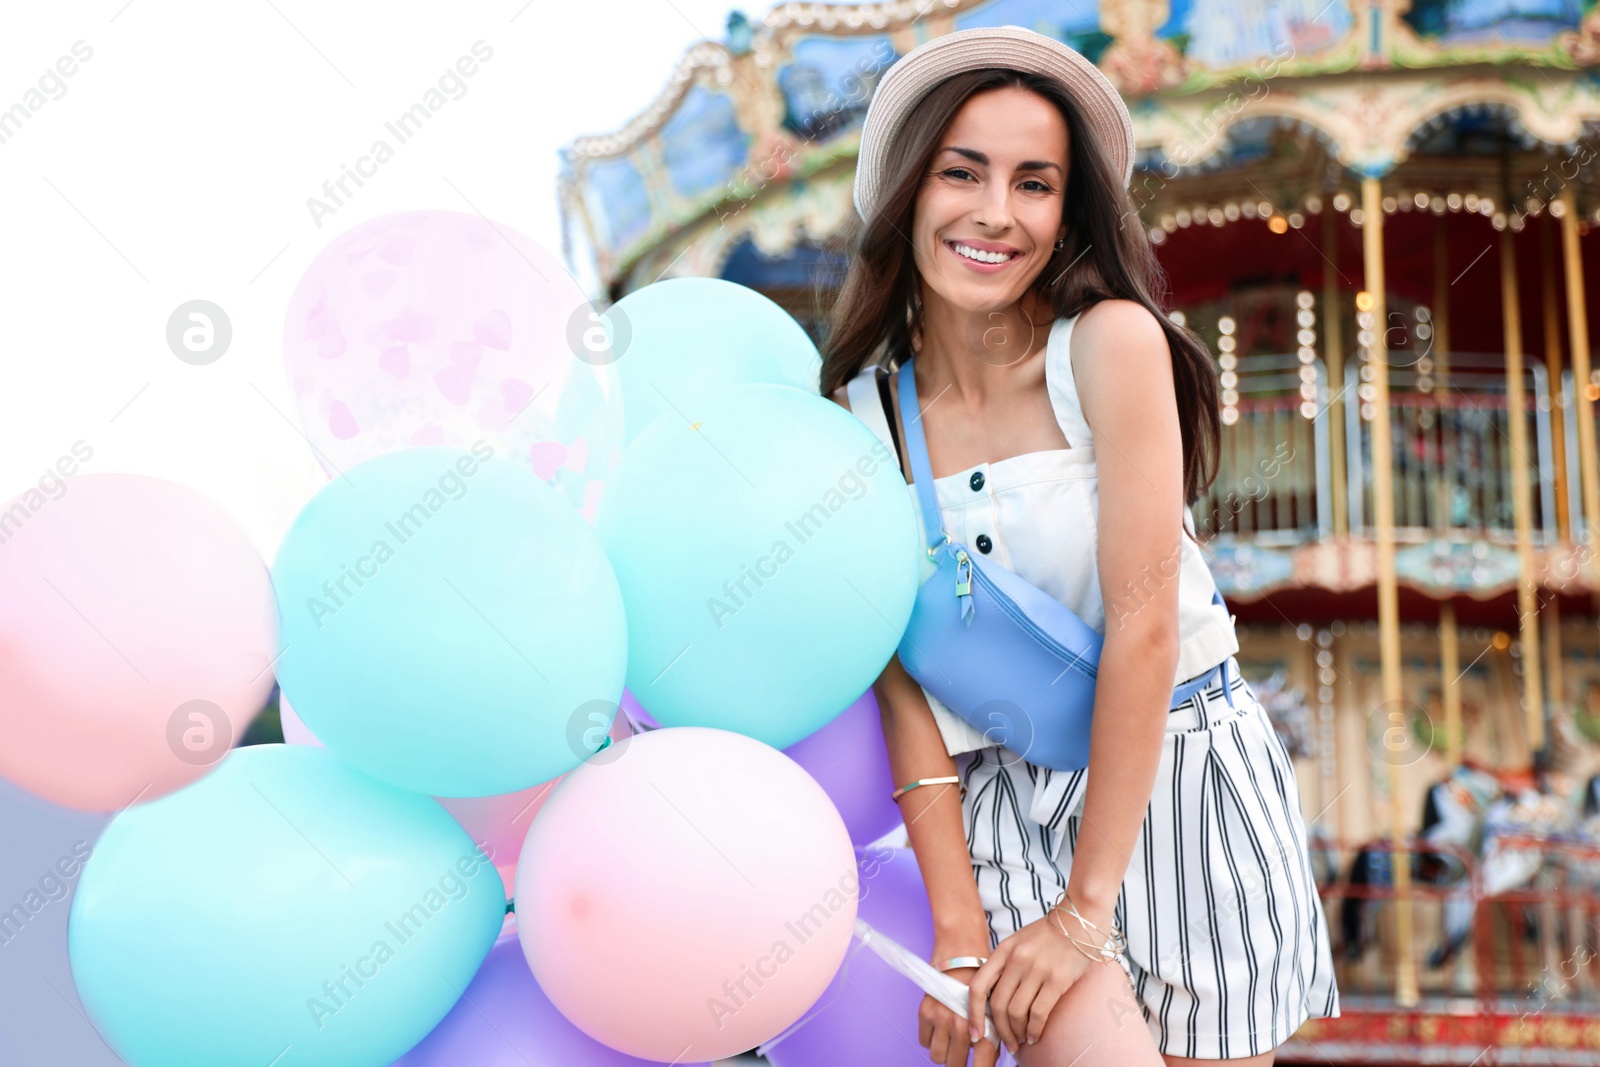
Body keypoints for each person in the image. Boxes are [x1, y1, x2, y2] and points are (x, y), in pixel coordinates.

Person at [821, 25, 1340, 1067]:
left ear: (1067, 215)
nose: (994, 213)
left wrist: (1085, 909)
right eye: (960, 172)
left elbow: (1145, 622)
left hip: (1182, 767)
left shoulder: (1108, 344)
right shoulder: (857, 418)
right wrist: (961, 928)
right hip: (1001, 798)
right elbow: (900, 692)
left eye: (1034, 183)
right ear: (909, 192)